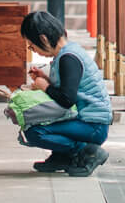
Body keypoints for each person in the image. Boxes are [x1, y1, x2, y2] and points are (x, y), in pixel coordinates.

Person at [13, 10, 111, 175]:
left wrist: (45, 86)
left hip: (93, 126)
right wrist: (45, 79)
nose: (33, 49)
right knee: (37, 124)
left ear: (43, 39)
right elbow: (67, 89)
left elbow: (66, 99)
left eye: (32, 45)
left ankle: (86, 151)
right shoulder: (68, 52)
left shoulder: (69, 58)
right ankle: (62, 156)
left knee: (35, 132)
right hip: (87, 121)